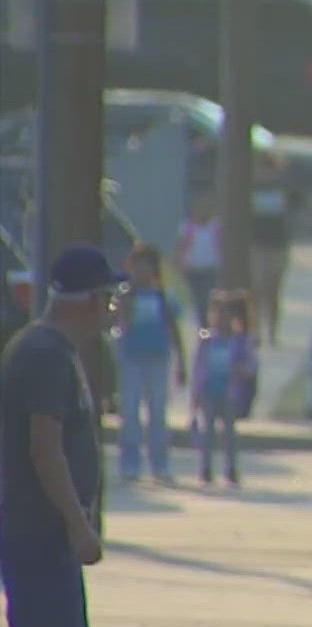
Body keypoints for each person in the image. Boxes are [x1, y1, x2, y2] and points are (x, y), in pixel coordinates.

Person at [0, 245, 143, 627]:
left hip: (50, 531)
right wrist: (78, 523)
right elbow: (44, 448)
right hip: (34, 527)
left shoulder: (61, 352)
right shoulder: (42, 354)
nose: (113, 309)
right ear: (89, 300)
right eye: (109, 297)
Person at [113, 243, 188, 483]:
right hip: (132, 359)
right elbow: (118, 325)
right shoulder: (125, 295)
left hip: (158, 359)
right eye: (137, 265)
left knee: (157, 414)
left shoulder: (163, 296)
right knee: (130, 413)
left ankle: (160, 464)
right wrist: (125, 301)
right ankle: (129, 464)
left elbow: (174, 329)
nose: (142, 271)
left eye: (147, 266)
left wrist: (182, 362)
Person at [192, 293, 257, 487]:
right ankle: (205, 468)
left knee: (229, 435)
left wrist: (242, 371)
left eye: (225, 314)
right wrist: (195, 393)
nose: (220, 319)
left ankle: (231, 468)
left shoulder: (240, 341)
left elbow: (251, 365)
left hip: (229, 393)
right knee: (208, 433)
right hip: (208, 392)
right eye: (216, 313)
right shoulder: (206, 339)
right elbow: (199, 367)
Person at [251, 152, 292, 347]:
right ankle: (256, 332)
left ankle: (272, 333)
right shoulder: (250, 190)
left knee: (273, 291)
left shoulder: (283, 190)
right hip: (257, 246)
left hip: (278, 246)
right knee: (257, 290)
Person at [175, 189, 221, 328]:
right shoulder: (188, 227)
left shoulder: (216, 227)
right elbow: (181, 247)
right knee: (199, 300)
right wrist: (180, 264)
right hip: (194, 270)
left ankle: (212, 325)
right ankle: (204, 327)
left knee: (210, 299)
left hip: (211, 268)